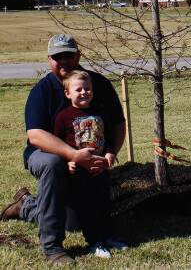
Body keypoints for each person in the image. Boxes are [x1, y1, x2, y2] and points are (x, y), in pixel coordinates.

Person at [0, 34, 126, 265]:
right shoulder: (43, 90)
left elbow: (118, 123)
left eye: (68, 55)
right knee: (52, 164)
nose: (64, 61)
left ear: (78, 55)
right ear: (49, 60)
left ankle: (27, 206)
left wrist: (110, 154)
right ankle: (53, 247)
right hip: (47, 155)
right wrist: (72, 155)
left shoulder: (97, 84)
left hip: (88, 156)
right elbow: (36, 135)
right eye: (58, 57)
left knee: (72, 222)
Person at [53, 70, 127, 258]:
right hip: (79, 173)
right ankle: (95, 242)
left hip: (100, 169)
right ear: (68, 93)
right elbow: (57, 143)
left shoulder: (99, 113)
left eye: (88, 89)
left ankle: (109, 236)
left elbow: (109, 137)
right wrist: (67, 160)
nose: (84, 92)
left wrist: (110, 152)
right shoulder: (63, 117)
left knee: (104, 203)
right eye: (79, 89)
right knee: (87, 207)